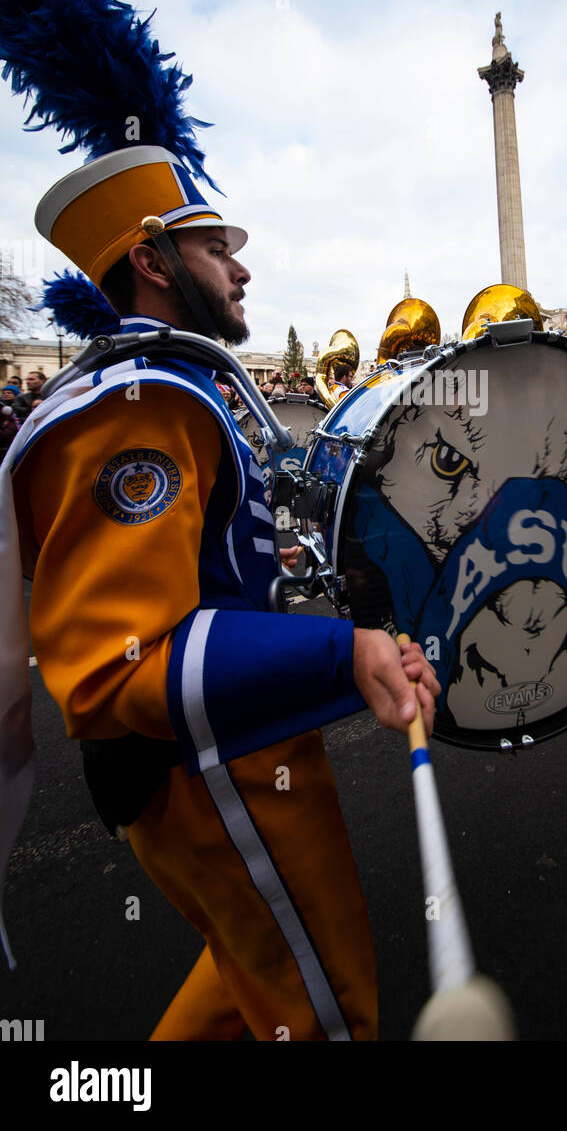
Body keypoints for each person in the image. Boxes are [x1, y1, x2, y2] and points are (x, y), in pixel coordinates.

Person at [5, 144, 440, 1040]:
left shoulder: (168, 383)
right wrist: (340, 652)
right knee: (324, 1012)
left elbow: (205, 571)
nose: (240, 268)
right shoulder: (139, 403)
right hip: (211, 767)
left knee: (255, 971)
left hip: (225, 745)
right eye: (215, 250)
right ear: (152, 262)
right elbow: (113, 668)